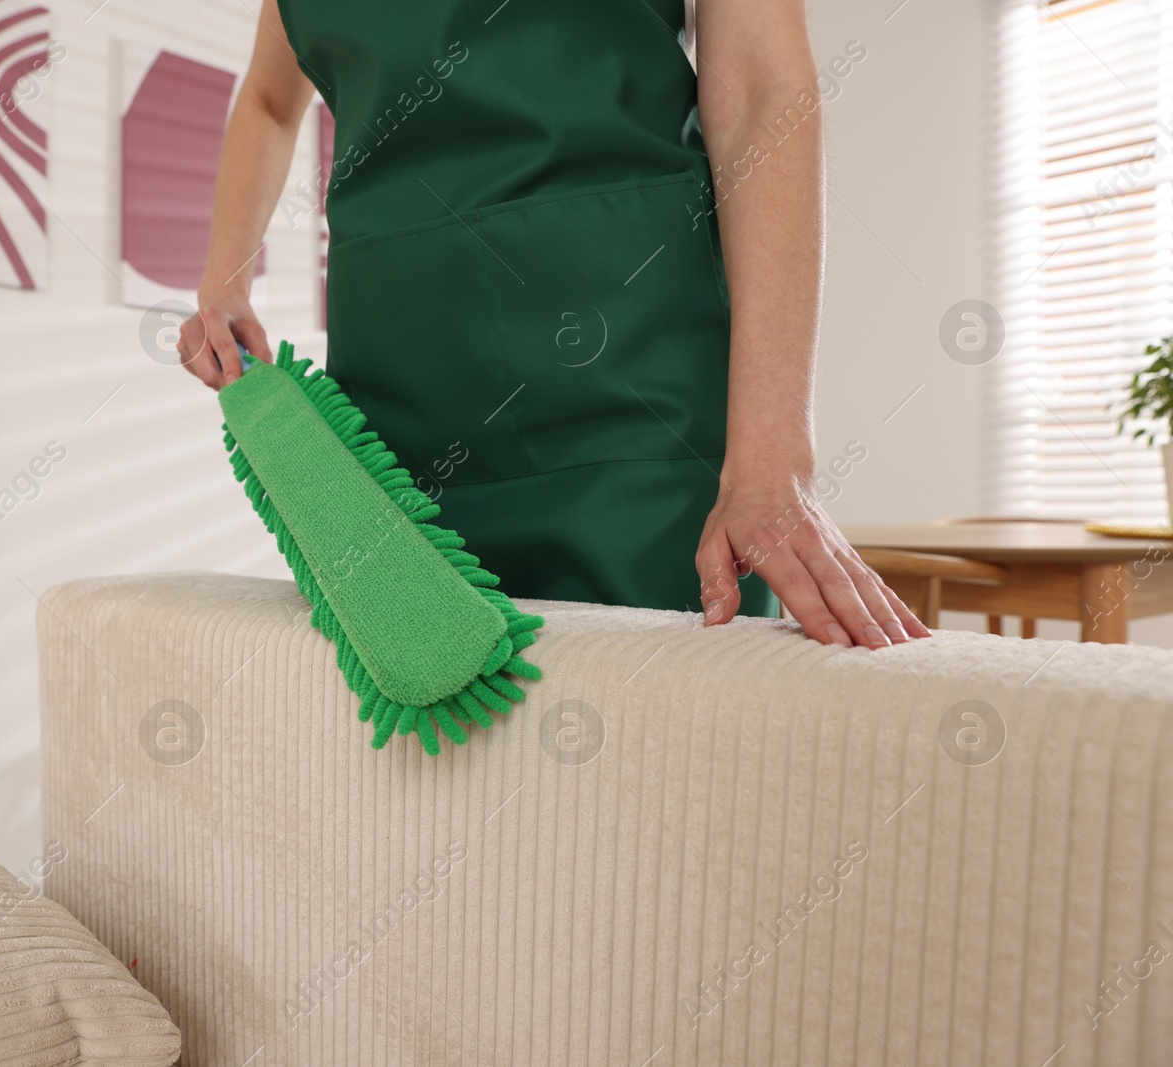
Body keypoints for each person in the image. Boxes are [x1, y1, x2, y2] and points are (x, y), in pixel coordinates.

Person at [176, 0, 931, 650]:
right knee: (415, 755)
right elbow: (271, 100)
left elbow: (764, 86)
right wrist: (225, 276)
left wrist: (774, 458)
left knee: (660, 763)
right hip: (393, 407)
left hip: (629, 384)